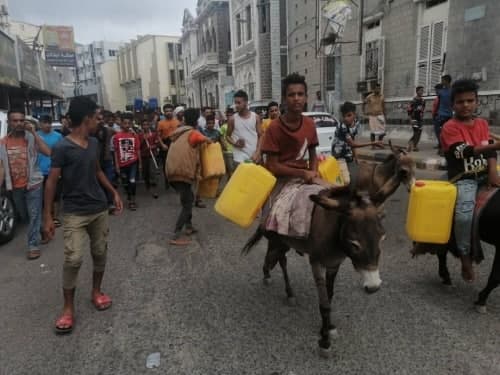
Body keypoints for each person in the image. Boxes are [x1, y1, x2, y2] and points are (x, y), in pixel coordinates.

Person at [43, 96, 123, 335]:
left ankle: (96, 292)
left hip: (98, 209)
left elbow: (97, 171)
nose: (99, 121)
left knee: (100, 253)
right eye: (96, 117)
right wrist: (48, 216)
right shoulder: (62, 147)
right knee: (73, 259)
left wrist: (112, 192)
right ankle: (68, 309)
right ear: (87, 119)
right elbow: (52, 183)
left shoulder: (94, 143)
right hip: (74, 213)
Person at [440, 79, 500, 282]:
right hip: (463, 178)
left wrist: (493, 172)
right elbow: (462, 152)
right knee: (464, 215)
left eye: (470, 101)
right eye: (460, 102)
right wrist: (495, 146)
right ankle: (465, 256)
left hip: (485, 174)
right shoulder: (449, 127)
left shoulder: (482, 124)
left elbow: (489, 148)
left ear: (476, 102)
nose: (465, 105)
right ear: (452, 105)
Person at [0, 109, 51, 260]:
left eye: (21, 120)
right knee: (25, 215)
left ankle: (33, 245)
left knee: (34, 213)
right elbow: (2, 166)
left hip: (33, 184)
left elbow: (47, 152)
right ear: (9, 123)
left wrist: (34, 133)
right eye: (15, 121)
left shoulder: (31, 138)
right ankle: (41, 229)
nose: (19, 123)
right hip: (15, 186)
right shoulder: (3, 143)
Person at [261, 73, 319, 182]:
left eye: (300, 94)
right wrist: (302, 173)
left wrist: (314, 174)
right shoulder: (274, 128)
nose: (296, 98)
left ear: (306, 98)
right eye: (291, 95)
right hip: (280, 182)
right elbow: (272, 166)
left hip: (305, 179)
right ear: (284, 99)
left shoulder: (310, 124)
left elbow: (313, 156)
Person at [166, 108, 211, 246]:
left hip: (172, 170)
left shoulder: (180, 132)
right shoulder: (193, 133)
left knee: (188, 198)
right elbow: (208, 141)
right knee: (187, 203)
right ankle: (176, 235)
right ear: (197, 120)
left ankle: (189, 226)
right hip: (182, 172)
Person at [332, 101, 383, 185]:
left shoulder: (356, 124)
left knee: (356, 178)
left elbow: (353, 141)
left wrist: (356, 158)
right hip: (339, 155)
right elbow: (352, 144)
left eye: (349, 115)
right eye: (344, 116)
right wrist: (373, 143)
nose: (346, 118)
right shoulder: (342, 126)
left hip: (349, 155)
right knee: (346, 181)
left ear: (354, 114)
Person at [37, 115, 63, 237]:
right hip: (39, 171)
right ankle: (47, 216)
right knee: (43, 196)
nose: (47, 125)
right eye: (44, 123)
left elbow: (63, 153)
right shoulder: (35, 135)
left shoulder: (58, 136)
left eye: (49, 123)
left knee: (56, 195)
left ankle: (55, 217)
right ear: (40, 124)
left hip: (54, 170)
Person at [113, 113, 142, 210]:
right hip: (122, 164)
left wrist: (140, 163)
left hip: (133, 162)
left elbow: (138, 150)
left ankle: (132, 201)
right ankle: (129, 196)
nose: (127, 125)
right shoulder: (117, 136)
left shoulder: (134, 135)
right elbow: (116, 152)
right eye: (125, 123)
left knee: (132, 181)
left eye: (129, 123)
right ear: (121, 124)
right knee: (125, 183)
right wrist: (117, 165)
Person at [226, 90, 262, 165]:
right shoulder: (232, 119)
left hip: (253, 156)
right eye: (235, 103)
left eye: (239, 103)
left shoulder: (255, 117)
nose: (236, 105)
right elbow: (227, 136)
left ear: (246, 102)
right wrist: (235, 143)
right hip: (239, 157)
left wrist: (258, 152)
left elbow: (260, 136)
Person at [157, 104, 179, 189]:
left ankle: (176, 181)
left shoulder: (177, 122)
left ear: (173, 112)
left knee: (175, 163)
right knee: (166, 164)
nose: (168, 113)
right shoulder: (160, 123)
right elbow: (158, 135)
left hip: (175, 143)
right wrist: (162, 144)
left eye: (170, 111)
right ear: (164, 112)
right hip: (165, 144)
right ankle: (167, 180)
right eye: (166, 111)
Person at [139, 118, 160, 199]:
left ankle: (154, 190)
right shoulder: (140, 135)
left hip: (152, 156)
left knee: (152, 173)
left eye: (147, 125)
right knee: (145, 173)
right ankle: (147, 185)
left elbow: (157, 144)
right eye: (144, 125)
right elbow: (138, 147)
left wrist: (152, 146)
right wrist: (143, 140)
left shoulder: (153, 134)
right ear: (141, 126)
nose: (145, 126)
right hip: (143, 156)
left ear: (149, 125)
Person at [436, 75, 453, 156]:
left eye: (442, 80)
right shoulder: (441, 92)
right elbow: (438, 103)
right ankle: (442, 149)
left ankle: (447, 149)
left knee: (449, 133)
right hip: (441, 114)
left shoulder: (453, 91)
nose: (441, 82)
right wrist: (437, 112)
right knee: (442, 133)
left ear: (446, 81)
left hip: (450, 115)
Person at [407, 86, 426, 152]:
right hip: (414, 118)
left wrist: (422, 117)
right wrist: (410, 120)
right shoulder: (413, 101)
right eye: (420, 90)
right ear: (417, 91)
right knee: (416, 132)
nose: (422, 92)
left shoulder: (423, 101)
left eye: (422, 91)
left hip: (420, 119)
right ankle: (410, 142)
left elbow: (423, 110)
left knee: (419, 132)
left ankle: (415, 146)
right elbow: (409, 111)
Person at [219, 107, 235, 177]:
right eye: (228, 115)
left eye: (231, 115)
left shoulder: (236, 125)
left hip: (236, 150)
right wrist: (224, 145)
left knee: (234, 170)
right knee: (231, 170)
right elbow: (221, 136)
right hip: (228, 151)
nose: (229, 117)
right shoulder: (223, 126)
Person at [432, 83, 443, 149]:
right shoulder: (438, 98)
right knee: (438, 132)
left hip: (438, 117)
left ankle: (441, 145)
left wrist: (434, 115)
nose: (436, 91)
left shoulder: (440, 98)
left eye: (436, 90)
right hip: (438, 116)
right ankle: (440, 144)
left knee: (439, 132)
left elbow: (436, 108)